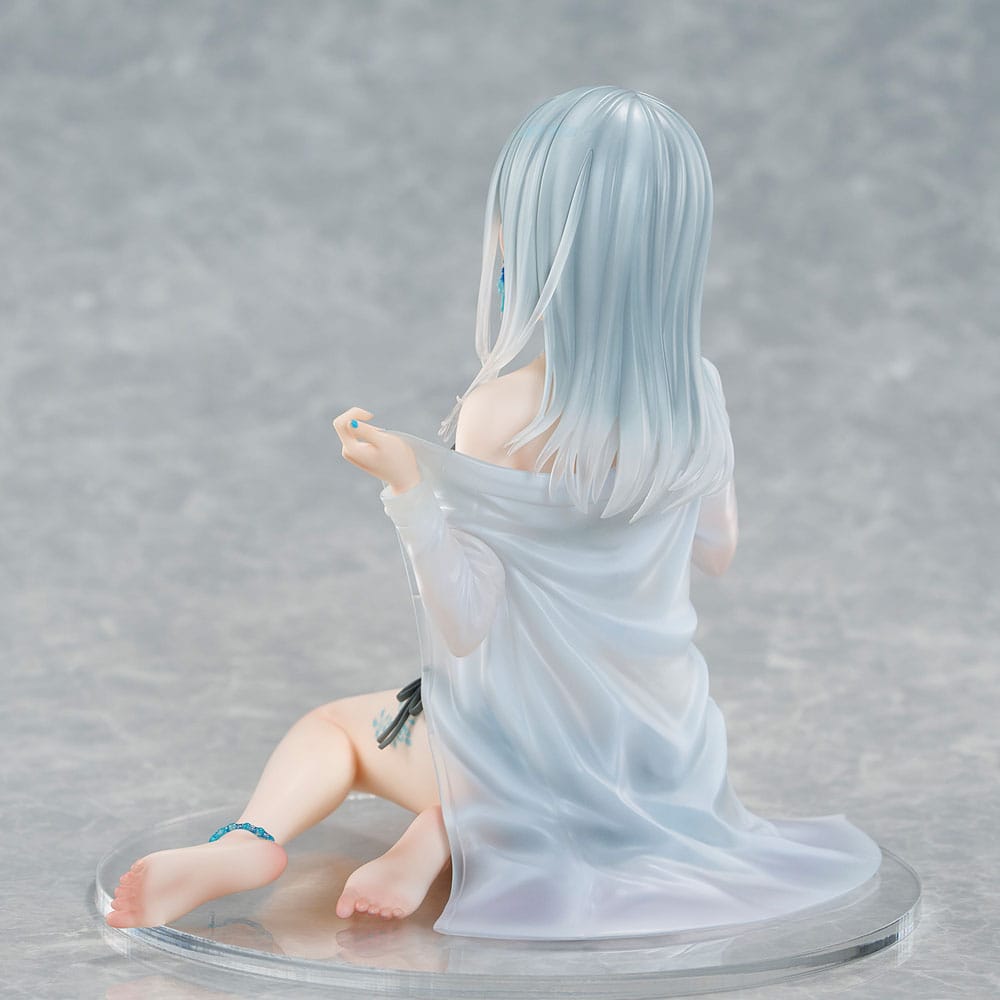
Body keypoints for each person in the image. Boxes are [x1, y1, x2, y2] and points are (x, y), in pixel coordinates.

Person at [107, 86, 882, 938]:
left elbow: (466, 620)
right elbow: (719, 549)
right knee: (510, 738)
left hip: (530, 748)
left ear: (546, 243)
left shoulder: (502, 411)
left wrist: (410, 488)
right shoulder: (697, 390)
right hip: (666, 752)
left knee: (337, 730)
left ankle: (256, 844)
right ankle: (447, 829)